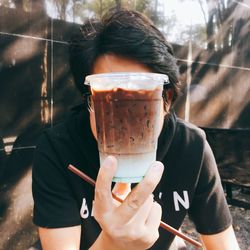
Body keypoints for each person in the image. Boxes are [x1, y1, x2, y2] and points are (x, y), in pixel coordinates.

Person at [32, 8, 240, 250]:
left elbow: (225, 244)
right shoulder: (58, 148)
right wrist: (111, 244)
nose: (123, 121)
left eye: (139, 101)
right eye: (109, 99)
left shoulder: (191, 146)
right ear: (90, 98)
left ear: (167, 99)